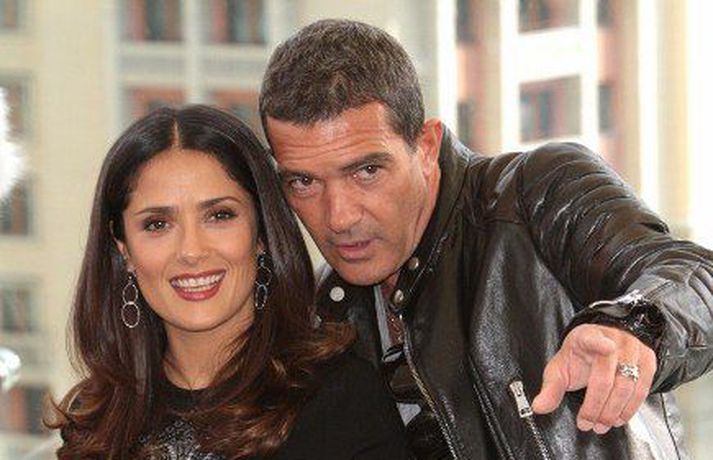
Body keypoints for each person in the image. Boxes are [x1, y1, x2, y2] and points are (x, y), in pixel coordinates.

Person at [258, 19, 713, 459]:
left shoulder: (535, 194)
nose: (339, 217)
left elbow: (696, 276)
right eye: (303, 182)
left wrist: (636, 326)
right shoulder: (323, 317)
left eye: (367, 171)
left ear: (426, 147)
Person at [49, 105, 410, 459]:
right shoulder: (96, 421)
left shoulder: (339, 402)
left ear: (261, 233)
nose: (191, 251)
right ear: (124, 248)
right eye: (157, 224)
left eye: (219, 216)